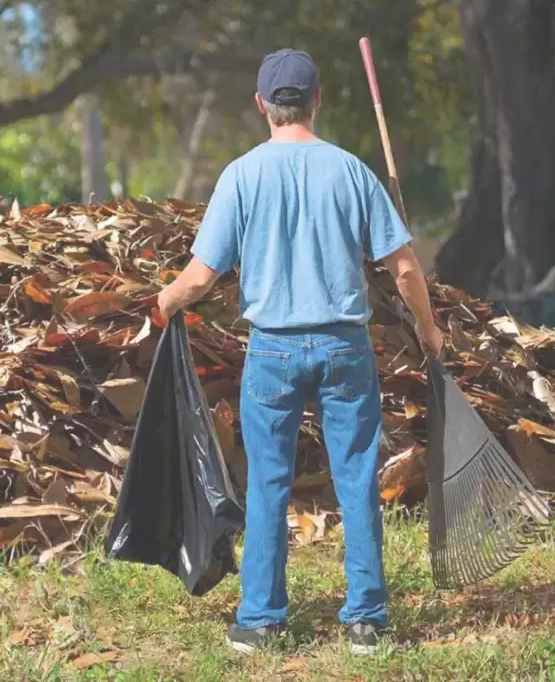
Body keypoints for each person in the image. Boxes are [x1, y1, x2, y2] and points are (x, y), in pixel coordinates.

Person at [155, 48, 444, 656]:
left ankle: (261, 619)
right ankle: (366, 619)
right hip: (345, 348)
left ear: (262, 105)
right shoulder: (353, 172)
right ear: (316, 101)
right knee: (357, 479)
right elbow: (406, 267)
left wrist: (165, 302)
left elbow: (201, 278)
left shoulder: (241, 175)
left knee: (268, 482)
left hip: (273, 353)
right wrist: (430, 329)